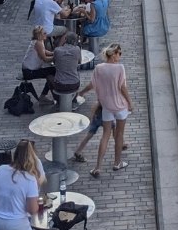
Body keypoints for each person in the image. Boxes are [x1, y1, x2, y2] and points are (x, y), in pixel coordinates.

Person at [80, 42, 133, 176]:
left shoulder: (98, 68)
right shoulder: (120, 68)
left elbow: (92, 84)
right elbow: (122, 87)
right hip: (120, 106)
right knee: (119, 134)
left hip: (106, 106)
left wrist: (82, 92)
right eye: (119, 53)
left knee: (105, 135)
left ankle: (98, 167)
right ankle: (117, 163)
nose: (120, 56)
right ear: (114, 54)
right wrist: (130, 102)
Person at [0, 138, 44, 230]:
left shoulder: (0, 169)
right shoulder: (30, 179)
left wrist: (6, 197)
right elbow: (32, 209)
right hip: (16, 227)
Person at [21, 26, 55, 103]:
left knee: (51, 71)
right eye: (44, 33)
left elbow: (45, 51)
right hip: (29, 72)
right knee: (53, 72)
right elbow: (45, 59)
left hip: (28, 69)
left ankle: (45, 95)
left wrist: (54, 53)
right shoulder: (38, 43)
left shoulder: (39, 41)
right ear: (39, 35)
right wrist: (56, 57)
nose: (46, 34)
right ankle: (44, 96)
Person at [49, 32, 81, 104]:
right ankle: (73, 100)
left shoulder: (57, 50)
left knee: (49, 77)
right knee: (77, 70)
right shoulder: (77, 49)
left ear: (65, 39)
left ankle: (58, 101)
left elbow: (54, 62)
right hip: (74, 84)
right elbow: (79, 62)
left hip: (60, 85)